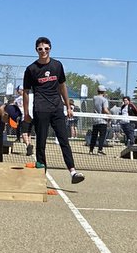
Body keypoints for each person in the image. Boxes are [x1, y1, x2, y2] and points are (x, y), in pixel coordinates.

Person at [22, 38, 84, 183]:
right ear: (36, 50)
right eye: (40, 49)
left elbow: (62, 86)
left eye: (46, 48)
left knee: (64, 140)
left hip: (57, 108)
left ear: (50, 49)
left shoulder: (57, 65)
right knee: (41, 143)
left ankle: (73, 172)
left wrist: (67, 106)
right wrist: (26, 113)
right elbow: (25, 92)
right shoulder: (31, 69)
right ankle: (40, 175)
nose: (43, 51)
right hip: (40, 109)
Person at [88, 85, 110, 154]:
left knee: (94, 136)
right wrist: (110, 115)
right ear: (104, 92)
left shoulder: (94, 98)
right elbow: (105, 110)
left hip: (95, 120)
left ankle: (91, 150)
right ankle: (100, 150)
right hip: (102, 121)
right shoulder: (104, 100)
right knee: (102, 136)